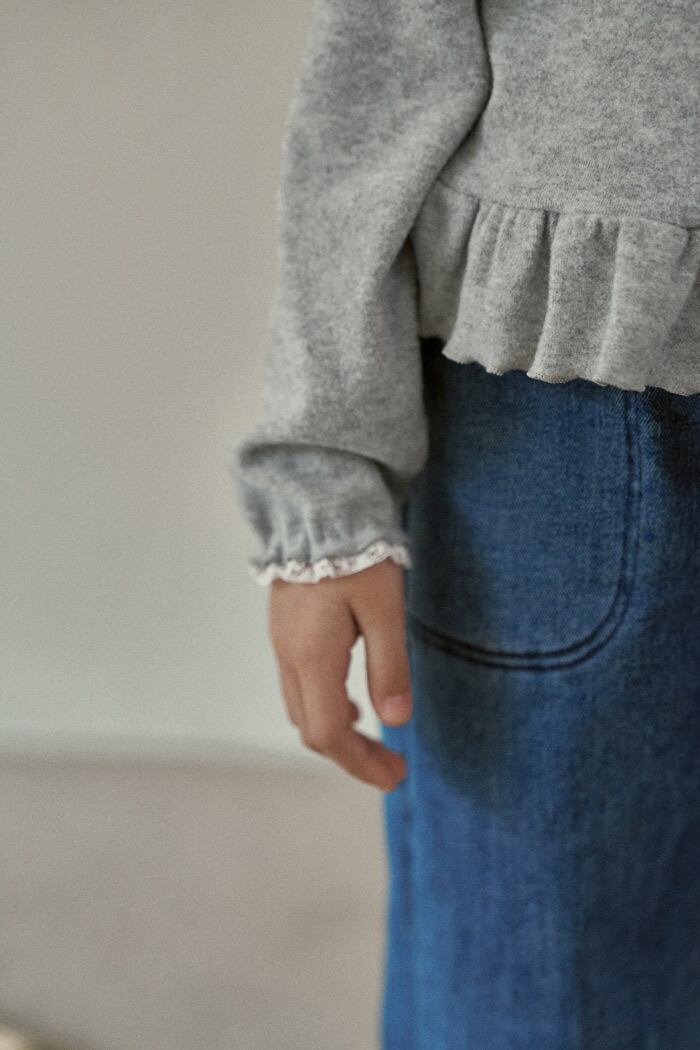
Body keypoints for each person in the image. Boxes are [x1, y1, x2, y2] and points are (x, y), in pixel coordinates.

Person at [231, 1, 700, 1046]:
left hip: (585, 421)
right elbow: (382, 56)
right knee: (539, 987)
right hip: (584, 410)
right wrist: (322, 467)